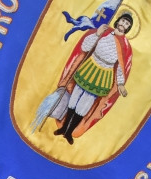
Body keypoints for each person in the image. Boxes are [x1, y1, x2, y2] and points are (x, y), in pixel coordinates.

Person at [49, 12, 133, 144]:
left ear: (128, 28)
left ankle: (69, 132)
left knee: (84, 105)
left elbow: (121, 67)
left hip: (104, 74)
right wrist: (97, 33)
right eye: (123, 21)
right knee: (74, 100)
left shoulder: (124, 46)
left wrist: (121, 83)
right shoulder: (105, 32)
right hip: (89, 67)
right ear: (118, 21)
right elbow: (85, 47)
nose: (123, 24)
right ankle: (64, 128)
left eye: (127, 24)